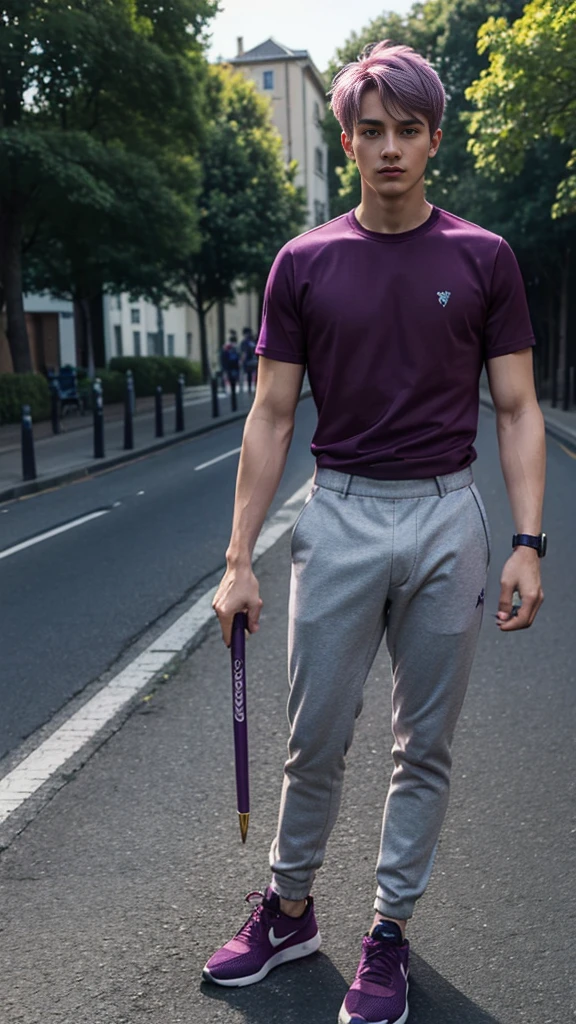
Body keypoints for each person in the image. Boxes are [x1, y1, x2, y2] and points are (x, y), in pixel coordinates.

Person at [204, 40, 546, 1024]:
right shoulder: (302, 264)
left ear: (433, 138)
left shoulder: (484, 258)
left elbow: (519, 407)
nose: (388, 147)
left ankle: (387, 933)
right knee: (313, 735)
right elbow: (271, 415)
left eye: (407, 130)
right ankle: (289, 907)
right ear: (348, 139)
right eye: (370, 130)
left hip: (448, 516)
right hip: (340, 512)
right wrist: (237, 562)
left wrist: (529, 539)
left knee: (422, 745)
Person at [240, 326, 258, 393]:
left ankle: (250, 389)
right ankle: (256, 388)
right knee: (257, 375)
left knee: (249, 375)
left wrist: (241, 361)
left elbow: (244, 353)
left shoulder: (244, 342)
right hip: (256, 360)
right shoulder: (254, 340)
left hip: (248, 362)